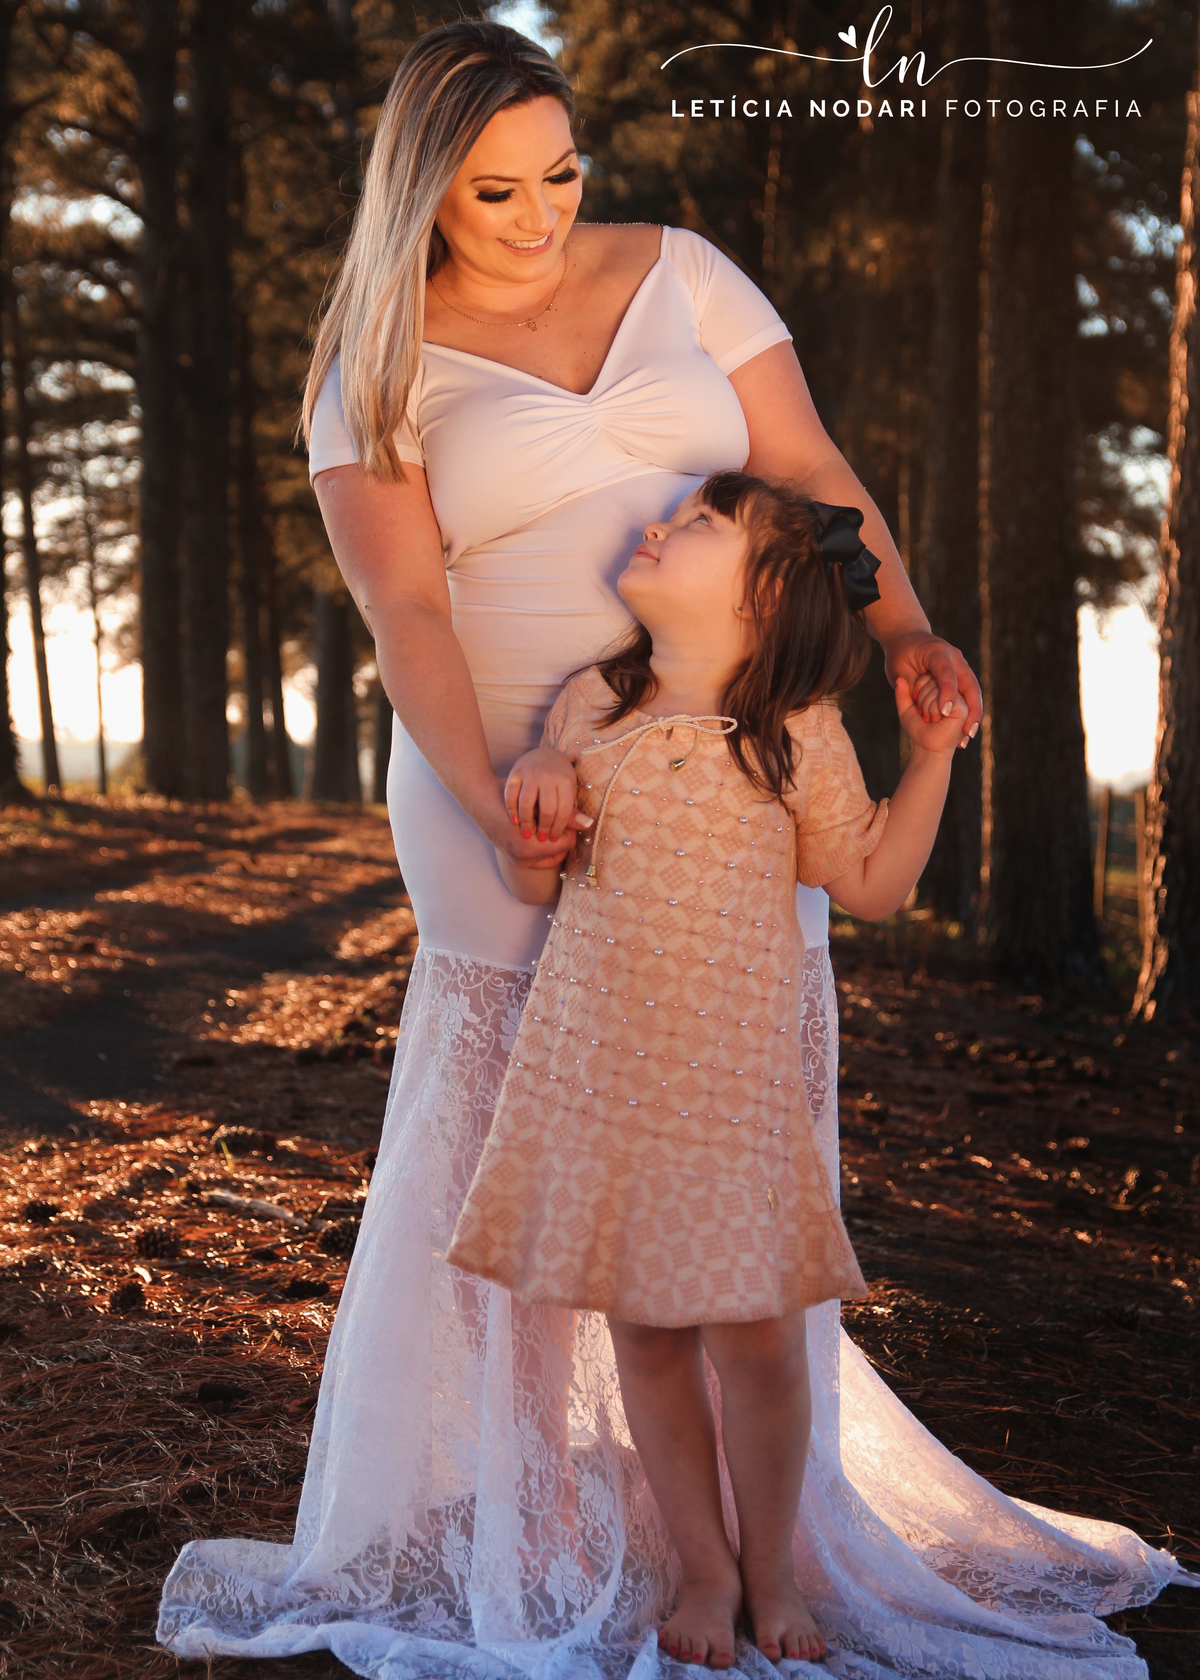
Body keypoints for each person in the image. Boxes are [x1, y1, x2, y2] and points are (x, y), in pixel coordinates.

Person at [157, 19, 1192, 1679]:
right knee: (533, 1151)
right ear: (423, 195)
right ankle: (533, 1522)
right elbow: (407, 608)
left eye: (562, 173)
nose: (540, 214)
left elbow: (814, 474)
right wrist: (502, 788)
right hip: (514, 768)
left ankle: (760, 1539)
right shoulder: (373, 362)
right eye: (495, 192)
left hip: (733, 758)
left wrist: (908, 629)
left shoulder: (687, 276)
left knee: (719, 1113)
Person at [445, 470, 972, 1668]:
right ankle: (704, 1569)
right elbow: (537, 876)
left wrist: (931, 758)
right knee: (646, 1336)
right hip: (607, 1082)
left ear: (766, 596)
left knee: (760, 1345)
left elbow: (873, 881)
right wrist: (534, 795)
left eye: (697, 525)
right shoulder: (593, 705)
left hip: (733, 1100)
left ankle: (772, 1568)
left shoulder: (795, 733)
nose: (656, 526)